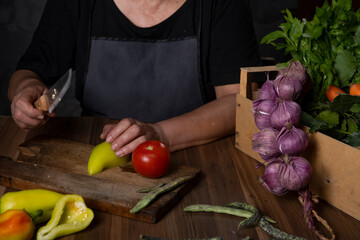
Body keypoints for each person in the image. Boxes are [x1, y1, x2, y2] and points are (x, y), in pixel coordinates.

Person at [8, 0, 261, 157]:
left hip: (197, 154)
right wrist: (25, 90)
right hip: (97, 150)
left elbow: (237, 103)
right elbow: (29, 73)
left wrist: (161, 133)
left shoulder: (223, 4)